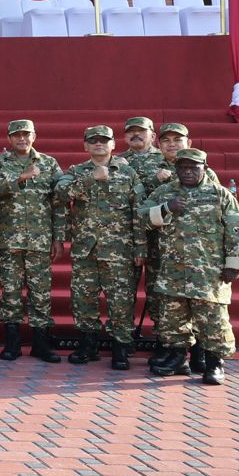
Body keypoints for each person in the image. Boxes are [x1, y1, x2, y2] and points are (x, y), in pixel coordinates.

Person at [142, 148, 239, 385]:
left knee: (213, 321)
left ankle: (214, 364)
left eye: (194, 167)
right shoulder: (164, 192)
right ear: (176, 169)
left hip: (208, 273)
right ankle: (177, 358)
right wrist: (165, 208)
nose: (188, 171)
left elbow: (237, 232)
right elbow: (140, 218)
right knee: (173, 319)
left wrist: (234, 264)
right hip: (173, 271)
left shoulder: (220, 195)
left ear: (204, 168)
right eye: (183, 167)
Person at [55, 125, 146, 370]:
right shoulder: (76, 171)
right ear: (85, 146)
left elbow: (138, 212)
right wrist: (89, 179)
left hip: (120, 250)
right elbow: (61, 193)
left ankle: (120, 347)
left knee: (121, 300)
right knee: (83, 298)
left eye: (103, 140)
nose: (98, 144)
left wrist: (140, 248)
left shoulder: (129, 173)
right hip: (86, 249)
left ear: (113, 145)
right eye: (93, 141)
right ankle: (88, 344)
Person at [0, 119, 64, 363]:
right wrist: (21, 177)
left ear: (34, 136)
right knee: (10, 292)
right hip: (10, 240)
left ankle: (41, 343)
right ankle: (13, 344)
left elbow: (58, 202)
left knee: (40, 292)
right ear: (9, 139)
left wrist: (59, 237)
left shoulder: (49, 163)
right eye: (16, 135)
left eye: (26, 134)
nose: (21, 139)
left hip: (40, 240)